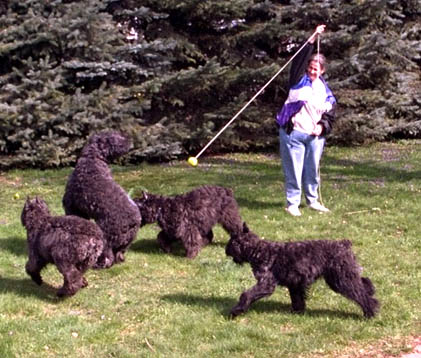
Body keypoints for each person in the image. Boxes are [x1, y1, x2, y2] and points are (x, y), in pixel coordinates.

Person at [276, 24, 336, 217]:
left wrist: (321, 127)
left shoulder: (325, 90)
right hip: (293, 133)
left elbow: (330, 113)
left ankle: (313, 201)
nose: (312, 71)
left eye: (316, 69)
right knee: (293, 170)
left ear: (323, 70)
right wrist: (313, 37)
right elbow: (299, 59)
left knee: (312, 170)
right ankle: (292, 203)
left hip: (315, 137)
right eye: (310, 68)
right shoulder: (297, 81)